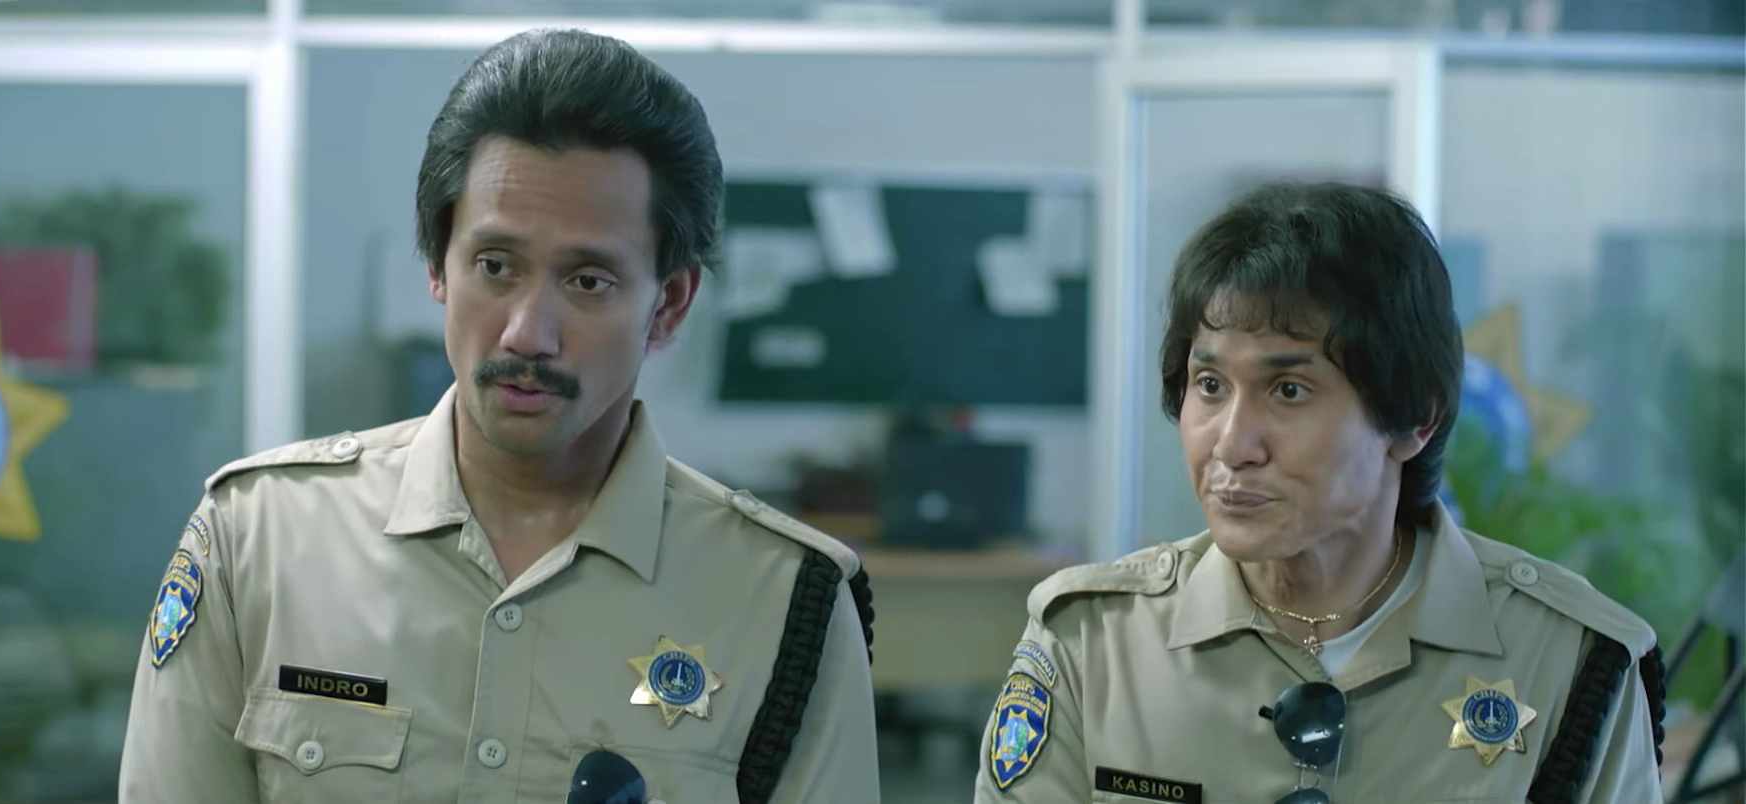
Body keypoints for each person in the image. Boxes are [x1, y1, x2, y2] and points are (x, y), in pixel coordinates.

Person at [118, 28, 879, 804]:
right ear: (437, 267)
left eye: (588, 281)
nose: (526, 333)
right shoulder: (256, 538)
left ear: (668, 304)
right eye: (495, 266)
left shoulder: (783, 600)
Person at [973, 182, 1665, 804]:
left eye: (1289, 390)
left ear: (1414, 419)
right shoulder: (1093, 643)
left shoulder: (1566, 659)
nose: (1232, 445)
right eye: (1210, 386)